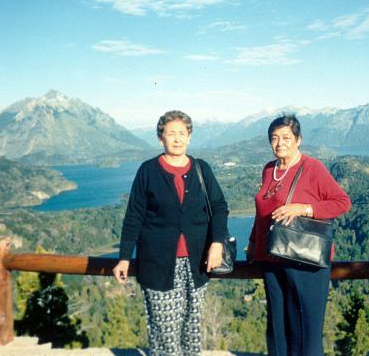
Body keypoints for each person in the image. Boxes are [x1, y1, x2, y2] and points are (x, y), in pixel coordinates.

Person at [113, 110, 228, 356]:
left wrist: (216, 243)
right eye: (170, 134)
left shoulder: (201, 169)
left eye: (182, 133)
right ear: (160, 139)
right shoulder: (148, 170)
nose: (177, 139)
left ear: (189, 137)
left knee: (192, 327)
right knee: (164, 330)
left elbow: (219, 207)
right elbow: (134, 215)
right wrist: (124, 257)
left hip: (197, 263)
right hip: (158, 264)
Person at [247, 114, 351, 356]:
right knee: (278, 330)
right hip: (272, 258)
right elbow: (261, 213)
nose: (280, 143)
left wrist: (304, 208)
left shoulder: (312, 168)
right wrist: (253, 243)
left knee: (305, 332)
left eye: (286, 137)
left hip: (304, 260)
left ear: (298, 139)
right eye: (274, 138)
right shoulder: (269, 169)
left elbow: (342, 202)